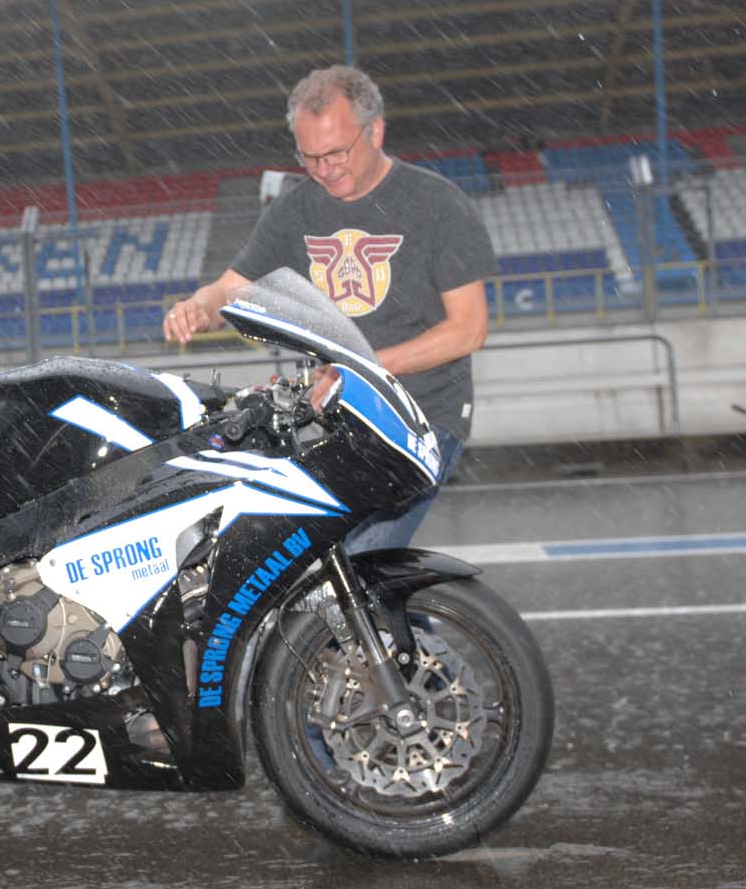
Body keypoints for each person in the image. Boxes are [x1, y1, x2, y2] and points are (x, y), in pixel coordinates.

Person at [164, 64, 497, 551]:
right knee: (298, 565)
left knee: (358, 559)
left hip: (422, 414)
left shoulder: (437, 205)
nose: (325, 168)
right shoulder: (297, 210)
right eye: (310, 157)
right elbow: (232, 289)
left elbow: (468, 330)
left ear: (375, 130)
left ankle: (413, 628)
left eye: (338, 151)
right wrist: (198, 305)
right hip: (335, 420)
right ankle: (413, 629)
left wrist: (359, 372)